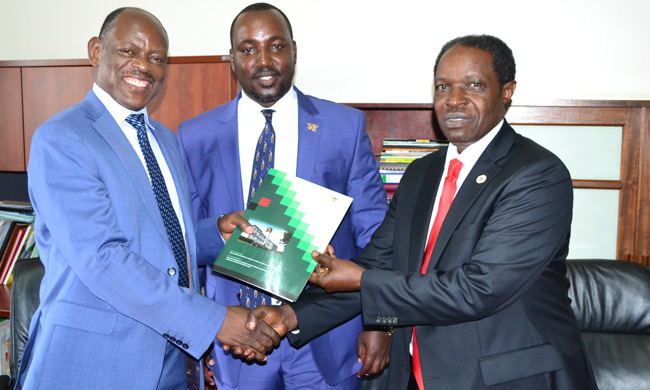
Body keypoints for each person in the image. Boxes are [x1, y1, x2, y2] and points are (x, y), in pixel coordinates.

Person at [254, 35, 599, 389]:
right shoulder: (422, 174)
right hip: (420, 376)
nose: (454, 100)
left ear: (507, 91)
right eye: (443, 86)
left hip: (508, 378)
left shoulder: (537, 174)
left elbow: (478, 289)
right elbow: (377, 264)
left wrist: (359, 279)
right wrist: (290, 315)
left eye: (474, 85)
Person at [18, 7, 280, 390]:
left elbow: (164, 238)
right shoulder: (62, 138)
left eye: (157, 58)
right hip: (94, 364)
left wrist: (215, 234)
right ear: (96, 51)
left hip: (172, 362)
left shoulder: (166, 140)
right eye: (129, 51)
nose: (144, 66)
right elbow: (103, 259)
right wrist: (216, 320)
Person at [177, 3, 389, 389]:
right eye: (247, 49)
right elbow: (186, 242)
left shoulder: (344, 126)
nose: (263, 60)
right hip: (237, 340)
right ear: (232, 58)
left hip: (327, 334)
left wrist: (381, 323)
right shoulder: (195, 136)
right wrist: (201, 337)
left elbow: (376, 234)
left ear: (294, 51)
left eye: (275, 46)